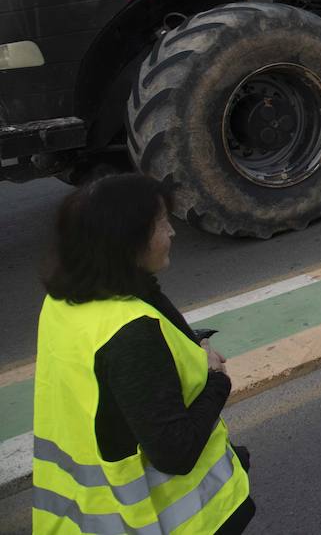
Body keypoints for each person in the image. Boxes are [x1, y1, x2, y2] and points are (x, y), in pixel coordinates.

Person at [33, 175, 254, 534]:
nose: (172, 233)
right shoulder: (132, 333)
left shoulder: (62, 302)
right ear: (128, 243)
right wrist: (217, 381)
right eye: (161, 223)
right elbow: (175, 452)